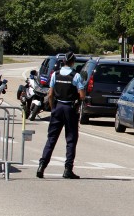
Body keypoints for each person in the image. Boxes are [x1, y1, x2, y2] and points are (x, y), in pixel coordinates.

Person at [37, 51, 86, 179]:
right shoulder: (76, 76)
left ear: (63, 62)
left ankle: (42, 166)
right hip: (69, 109)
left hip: (57, 108)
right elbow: (82, 95)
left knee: (51, 139)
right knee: (71, 139)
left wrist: (53, 108)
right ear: (72, 62)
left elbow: (50, 94)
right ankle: (68, 169)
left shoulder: (55, 74)